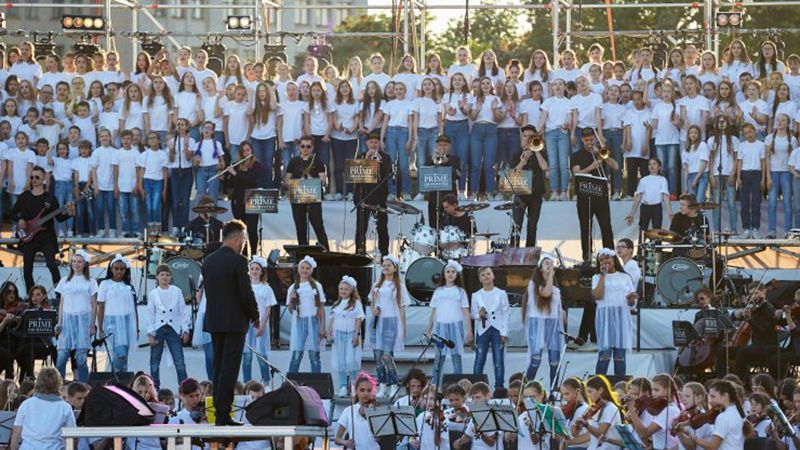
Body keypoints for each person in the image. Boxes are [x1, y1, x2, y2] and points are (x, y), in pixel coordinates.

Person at [201, 219, 260, 426]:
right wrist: (255, 314)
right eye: (243, 239)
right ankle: (223, 415)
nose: (243, 243)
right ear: (236, 238)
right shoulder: (238, 261)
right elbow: (246, 293)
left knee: (218, 368)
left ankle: (218, 413)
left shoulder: (208, 261)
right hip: (234, 323)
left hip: (215, 321)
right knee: (229, 369)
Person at [11, 165, 75, 292]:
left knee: (52, 265)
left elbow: (59, 218)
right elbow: (11, 213)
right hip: (29, 237)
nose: (34, 179)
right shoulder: (24, 196)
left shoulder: (50, 198)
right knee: (27, 269)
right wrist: (19, 220)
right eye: (31, 177)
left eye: (37, 177)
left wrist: (70, 213)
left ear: (43, 179)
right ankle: (32, 296)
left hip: (46, 237)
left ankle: (59, 295)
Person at [571, 128, 617, 263]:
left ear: (595, 139)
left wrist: (603, 155)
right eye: (586, 140)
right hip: (584, 198)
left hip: (601, 197)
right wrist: (592, 166)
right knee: (586, 228)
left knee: (606, 227)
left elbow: (615, 166)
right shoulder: (576, 155)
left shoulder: (601, 152)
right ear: (582, 140)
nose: (589, 143)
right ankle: (587, 258)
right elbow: (576, 173)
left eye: (591, 140)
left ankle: (610, 257)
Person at [715, 280, 778, 379]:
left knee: (743, 351)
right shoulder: (753, 308)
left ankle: (738, 380)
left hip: (767, 346)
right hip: (755, 346)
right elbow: (732, 320)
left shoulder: (769, 308)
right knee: (722, 351)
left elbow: (763, 332)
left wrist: (749, 319)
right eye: (751, 294)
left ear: (764, 291)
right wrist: (735, 315)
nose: (753, 297)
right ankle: (720, 380)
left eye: (756, 293)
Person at [367, 255, 409, 398]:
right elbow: (372, 302)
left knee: (387, 356)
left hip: (391, 322)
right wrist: (373, 309)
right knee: (377, 356)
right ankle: (382, 384)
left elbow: (402, 308)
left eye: (388, 265)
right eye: (384, 265)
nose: (385, 267)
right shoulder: (377, 285)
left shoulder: (399, 286)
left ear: (395, 268)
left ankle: (393, 383)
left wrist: (402, 328)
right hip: (378, 321)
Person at [426, 259, 473, 387]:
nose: (450, 274)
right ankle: (434, 385)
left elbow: (466, 311)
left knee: (456, 356)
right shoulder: (439, 291)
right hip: (441, 326)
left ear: (457, 274)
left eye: (453, 272)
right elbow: (433, 312)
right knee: (439, 357)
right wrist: (429, 330)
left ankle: (459, 385)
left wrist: (469, 330)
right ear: (444, 274)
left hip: (455, 326)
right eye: (448, 271)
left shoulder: (460, 291)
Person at [592, 248, 637, 378]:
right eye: (601, 260)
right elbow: (598, 296)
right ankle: (598, 386)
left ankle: (620, 387)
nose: (605, 261)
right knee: (604, 355)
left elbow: (631, 304)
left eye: (607, 258)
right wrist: (603, 276)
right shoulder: (596, 277)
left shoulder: (625, 277)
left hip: (621, 317)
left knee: (620, 356)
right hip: (605, 317)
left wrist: (631, 299)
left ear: (613, 259)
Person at [54, 250, 97, 383]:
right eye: (73, 261)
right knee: (62, 356)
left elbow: (94, 304)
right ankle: (59, 385)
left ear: (85, 264)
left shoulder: (91, 281)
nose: (76, 264)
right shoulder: (64, 281)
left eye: (79, 262)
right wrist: (59, 322)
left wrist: (91, 325)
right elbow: (61, 303)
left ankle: (83, 385)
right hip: (67, 320)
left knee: (81, 358)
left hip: (83, 320)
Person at [522, 254, 565, 383]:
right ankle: (525, 388)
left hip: (553, 322)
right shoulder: (533, 284)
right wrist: (551, 275)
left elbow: (558, 307)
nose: (549, 265)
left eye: (551, 263)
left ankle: (554, 390)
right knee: (536, 359)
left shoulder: (556, 289)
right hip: (537, 321)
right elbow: (545, 293)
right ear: (540, 268)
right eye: (546, 263)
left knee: (554, 360)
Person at [146, 263, 189, 389]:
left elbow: (182, 311)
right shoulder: (153, 294)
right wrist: (150, 333)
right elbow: (150, 314)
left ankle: (184, 388)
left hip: (173, 329)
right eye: (162, 274)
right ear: (157, 277)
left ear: (171, 277)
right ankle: (155, 388)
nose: (165, 277)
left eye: (167, 275)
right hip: (158, 329)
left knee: (179, 362)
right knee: (154, 362)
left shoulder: (177, 291)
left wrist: (185, 329)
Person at [9, 367, 75, 450]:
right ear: (58, 384)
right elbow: (72, 435)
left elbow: (16, 432)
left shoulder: (26, 404)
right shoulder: (65, 407)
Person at [285, 135, 330, 250]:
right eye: (303, 146)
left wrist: (312, 180)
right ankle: (303, 253)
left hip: (313, 196)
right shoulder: (294, 161)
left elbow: (324, 181)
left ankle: (326, 252)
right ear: (299, 147)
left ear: (312, 148)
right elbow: (287, 179)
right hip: (298, 196)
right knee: (300, 227)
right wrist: (296, 182)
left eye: (308, 146)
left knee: (318, 226)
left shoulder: (318, 161)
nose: (305, 149)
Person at [96, 255, 138, 373]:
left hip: (127, 322)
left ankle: (121, 384)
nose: (119, 271)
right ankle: (112, 379)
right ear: (111, 269)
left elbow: (134, 309)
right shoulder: (105, 284)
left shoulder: (128, 286)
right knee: (120, 354)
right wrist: (100, 327)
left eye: (122, 269)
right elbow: (101, 306)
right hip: (111, 322)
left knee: (124, 358)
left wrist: (136, 328)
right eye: (116, 268)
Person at [471, 267, 510, 389]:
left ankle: (499, 387)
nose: (486, 276)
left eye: (488, 274)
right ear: (480, 279)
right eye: (483, 275)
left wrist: (504, 332)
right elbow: (473, 314)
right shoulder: (476, 295)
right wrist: (479, 315)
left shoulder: (501, 293)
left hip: (497, 329)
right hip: (483, 330)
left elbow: (506, 313)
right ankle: (477, 386)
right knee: (479, 359)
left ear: (493, 276)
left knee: (498, 361)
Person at [287, 255, 327, 374]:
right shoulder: (292, 288)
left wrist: (322, 326)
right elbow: (290, 310)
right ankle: (291, 381)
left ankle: (316, 382)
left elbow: (321, 308)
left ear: (311, 270)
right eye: (302, 268)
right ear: (298, 269)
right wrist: (292, 299)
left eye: (307, 268)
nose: (304, 270)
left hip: (314, 321)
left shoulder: (317, 286)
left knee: (314, 354)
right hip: (300, 322)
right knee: (297, 353)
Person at [353, 132, 391, 256]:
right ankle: (360, 252)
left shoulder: (385, 157)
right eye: (371, 142)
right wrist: (366, 161)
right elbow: (355, 176)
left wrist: (380, 161)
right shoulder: (360, 156)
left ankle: (384, 253)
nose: (373, 145)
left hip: (380, 197)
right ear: (366, 144)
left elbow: (388, 174)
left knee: (382, 228)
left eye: (376, 142)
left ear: (379, 144)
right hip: (364, 196)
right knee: (361, 228)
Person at [222, 141, 262, 256]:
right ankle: (243, 255)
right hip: (238, 200)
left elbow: (251, 179)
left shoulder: (256, 165)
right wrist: (225, 177)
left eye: (247, 150)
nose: (245, 153)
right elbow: (230, 185)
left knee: (252, 229)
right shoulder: (237, 165)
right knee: (241, 230)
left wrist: (235, 173)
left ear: (251, 151)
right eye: (243, 151)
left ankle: (254, 254)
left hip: (252, 198)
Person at [241, 256, 277, 384]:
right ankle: (247, 383)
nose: (254, 271)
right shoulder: (245, 287)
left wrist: (262, 325)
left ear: (261, 271)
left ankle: (266, 382)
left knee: (261, 354)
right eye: (252, 269)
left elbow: (268, 308)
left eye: (257, 269)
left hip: (260, 324)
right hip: (247, 325)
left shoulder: (266, 288)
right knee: (247, 355)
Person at [511, 125, 548, 247]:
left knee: (532, 226)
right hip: (520, 193)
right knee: (516, 225)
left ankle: (530, 254)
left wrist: (535, 150)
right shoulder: (516, 153)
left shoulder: (541, 151)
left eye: (530, 136)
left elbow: (544, 167)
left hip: (536, 194)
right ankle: (513, 252)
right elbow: (512, 175)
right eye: (525, 136)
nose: (527, 139)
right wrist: (524, 160)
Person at [327, 276, 364, 397]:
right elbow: (332, 321)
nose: (343, 291)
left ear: (352, 291)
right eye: (341, 289)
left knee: (350, 360)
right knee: (340, 361)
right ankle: (342, 386)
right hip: (338, 336)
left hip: (350, 335)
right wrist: (329, 333)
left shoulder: (356, 304)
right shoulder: (337, 304)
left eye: (346, 289)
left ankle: (353, 384)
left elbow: (358, 320)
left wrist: (356, 335)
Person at [693, 380, 747, 450]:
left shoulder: (724, 417)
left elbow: (712, 446)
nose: (710, 401)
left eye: (713, 396)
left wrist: (692, 436)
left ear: (725, 396)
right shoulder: (738, 412)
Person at [424, 135, 461, 230]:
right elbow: (424, 174)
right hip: (434, 197)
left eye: (445, 145)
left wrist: (447, 163)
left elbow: (458, 175)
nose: (442, 147)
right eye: (440, 145)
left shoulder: (455, 159)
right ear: (436, 146)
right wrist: (432, 161)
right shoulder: (430, 159)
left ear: (449, 146)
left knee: (451, 225)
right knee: (433, 225)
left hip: (450, 197)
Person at [335, 372, 380, 450]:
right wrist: (346, 442)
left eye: (369, 390)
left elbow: (383, 438)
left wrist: (379, 437)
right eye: (362, 390)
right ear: (356, 391)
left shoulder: (377, 410)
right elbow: (337, 439)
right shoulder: (348, 410)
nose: (365, 393)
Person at [625, 158, 673, 231]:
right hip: (645, 207)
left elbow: (665, 196)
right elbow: (638, 197)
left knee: (657, 231)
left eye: (654, 164)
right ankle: (642, 242)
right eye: (650, 164)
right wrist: (631, 214)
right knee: (642, 231)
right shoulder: (643, 180)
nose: (652, 166)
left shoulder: (662, 179)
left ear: (659, 167)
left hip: (657, 207)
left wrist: (670, 213)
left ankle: (657, 242)